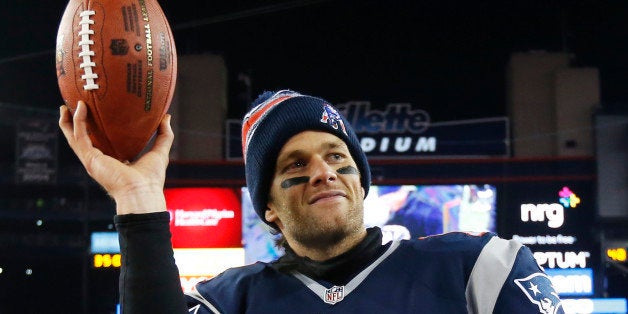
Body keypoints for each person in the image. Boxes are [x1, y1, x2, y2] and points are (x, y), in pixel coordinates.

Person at [59, 90, 564, 313]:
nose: (323, 171)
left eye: (336, 156)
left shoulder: (480, 271)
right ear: (269, 209)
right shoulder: (230, 302)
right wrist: (138, 196)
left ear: (362, 183)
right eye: (294, 166)